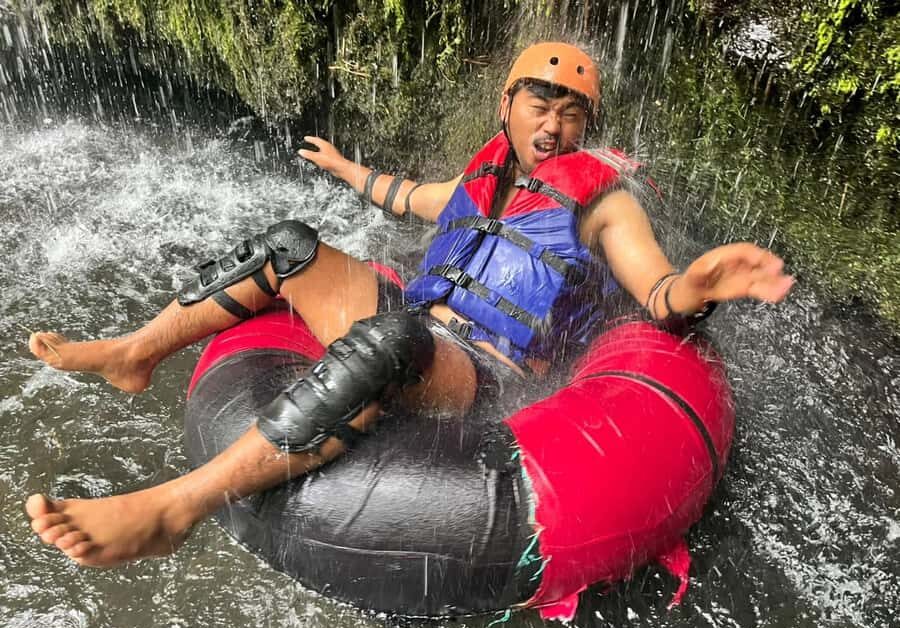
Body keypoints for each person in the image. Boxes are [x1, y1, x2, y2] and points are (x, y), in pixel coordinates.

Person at [24, 43, 793, 567]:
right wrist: (345, 167)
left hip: (482, 370)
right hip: (423, 320)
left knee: (391, 340)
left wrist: (699, 285)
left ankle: (173, 510)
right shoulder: (486, 176)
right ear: (509, 103)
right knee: (288, 243)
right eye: (539, 105)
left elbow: (657, 288)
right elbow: (410, 197)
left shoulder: (605, 205)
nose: (552, 127)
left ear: (589, 126)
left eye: (571, 114)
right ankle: (137, 353)